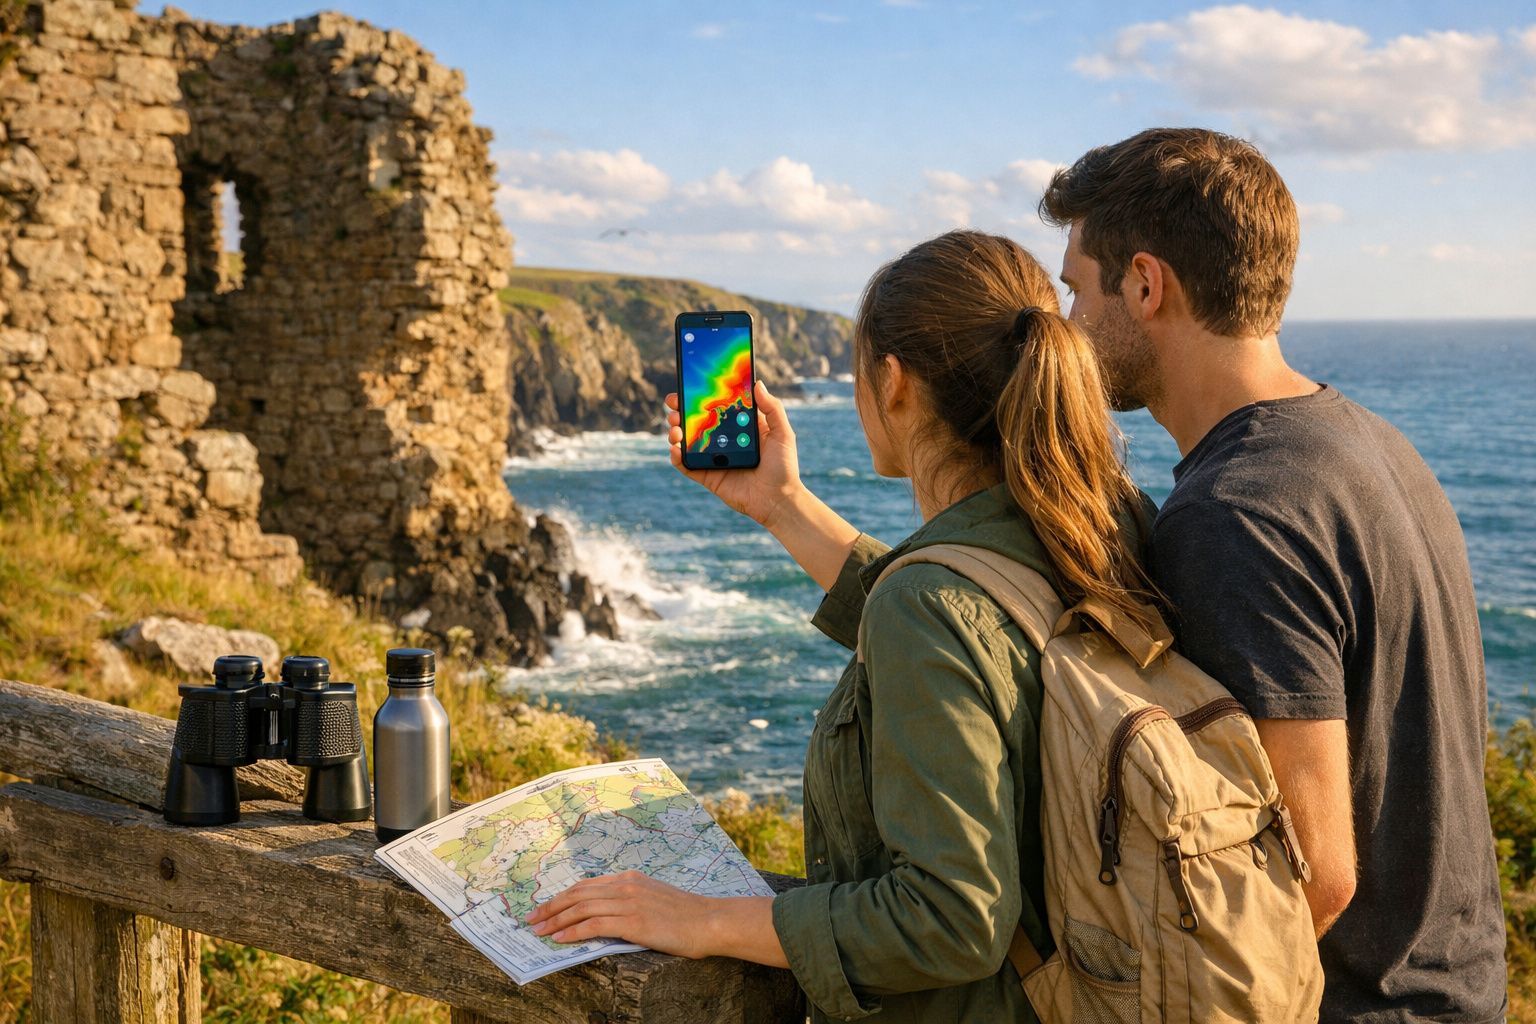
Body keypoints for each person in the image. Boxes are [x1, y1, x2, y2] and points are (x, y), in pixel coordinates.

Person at [525, 230, 1162, 1022]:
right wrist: (782, 504)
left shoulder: (928, 606)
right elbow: (988, 634)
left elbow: (953, 919)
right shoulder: (1106, 523)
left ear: (892, 382)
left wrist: (705, 919)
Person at [1036, 127, 1507, 1021]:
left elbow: (1307, 878)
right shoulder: (1368, 443)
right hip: (1454, 989)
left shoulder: (1237, 514)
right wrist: (783, 505)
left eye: (1075, 288)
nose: (1069, 325)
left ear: (1144, 285)